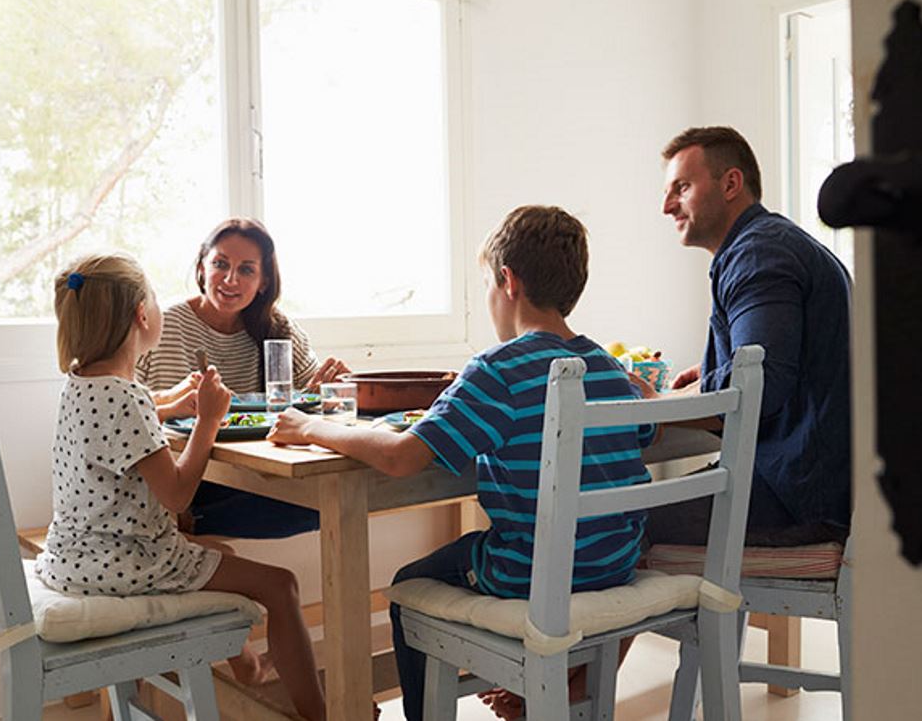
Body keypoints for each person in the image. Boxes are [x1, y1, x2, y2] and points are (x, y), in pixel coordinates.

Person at [267, 205, 658, 721]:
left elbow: (404, 458)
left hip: (537, 575)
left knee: (408, 588)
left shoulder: (498, 369)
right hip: (613, 563)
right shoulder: (608, 368)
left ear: (507, 281)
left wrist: (311, 427)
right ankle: (530, 686)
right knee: (480, 553)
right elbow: (647, 425)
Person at [36, 254, 326, 721]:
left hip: (73, 556)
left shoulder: (84, 381)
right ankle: (321, 714)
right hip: (124, 561)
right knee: (281, 585)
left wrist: (172, 401)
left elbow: (136, 408)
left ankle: (249, 668)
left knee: (221, 554)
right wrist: (207, 422)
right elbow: (176, 496)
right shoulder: (124, 396)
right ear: (142, 315)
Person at [653, 125, 851, 546]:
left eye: (681, 188)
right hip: (817, 485)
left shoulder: (757, 254)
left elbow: (759, 387)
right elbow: (778, 366)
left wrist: (655, 406)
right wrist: (709, 374)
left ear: (730, 184)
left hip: (798, 496)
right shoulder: (772, 243)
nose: (667, 205)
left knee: (609, 528)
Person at [136, 217, 346, 539]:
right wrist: (174, 398)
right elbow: (120, 403)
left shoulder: (278, 329)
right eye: (220, 264)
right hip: (179, 480)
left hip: (255, 475)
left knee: (334, 502)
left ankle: (192, 521)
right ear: (202, 268)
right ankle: (182, 521)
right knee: (330, 506)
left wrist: (328, 391)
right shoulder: (160, 324)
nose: (230, 279)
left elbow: (311, 395)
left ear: (263, 281)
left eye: (246, 269)